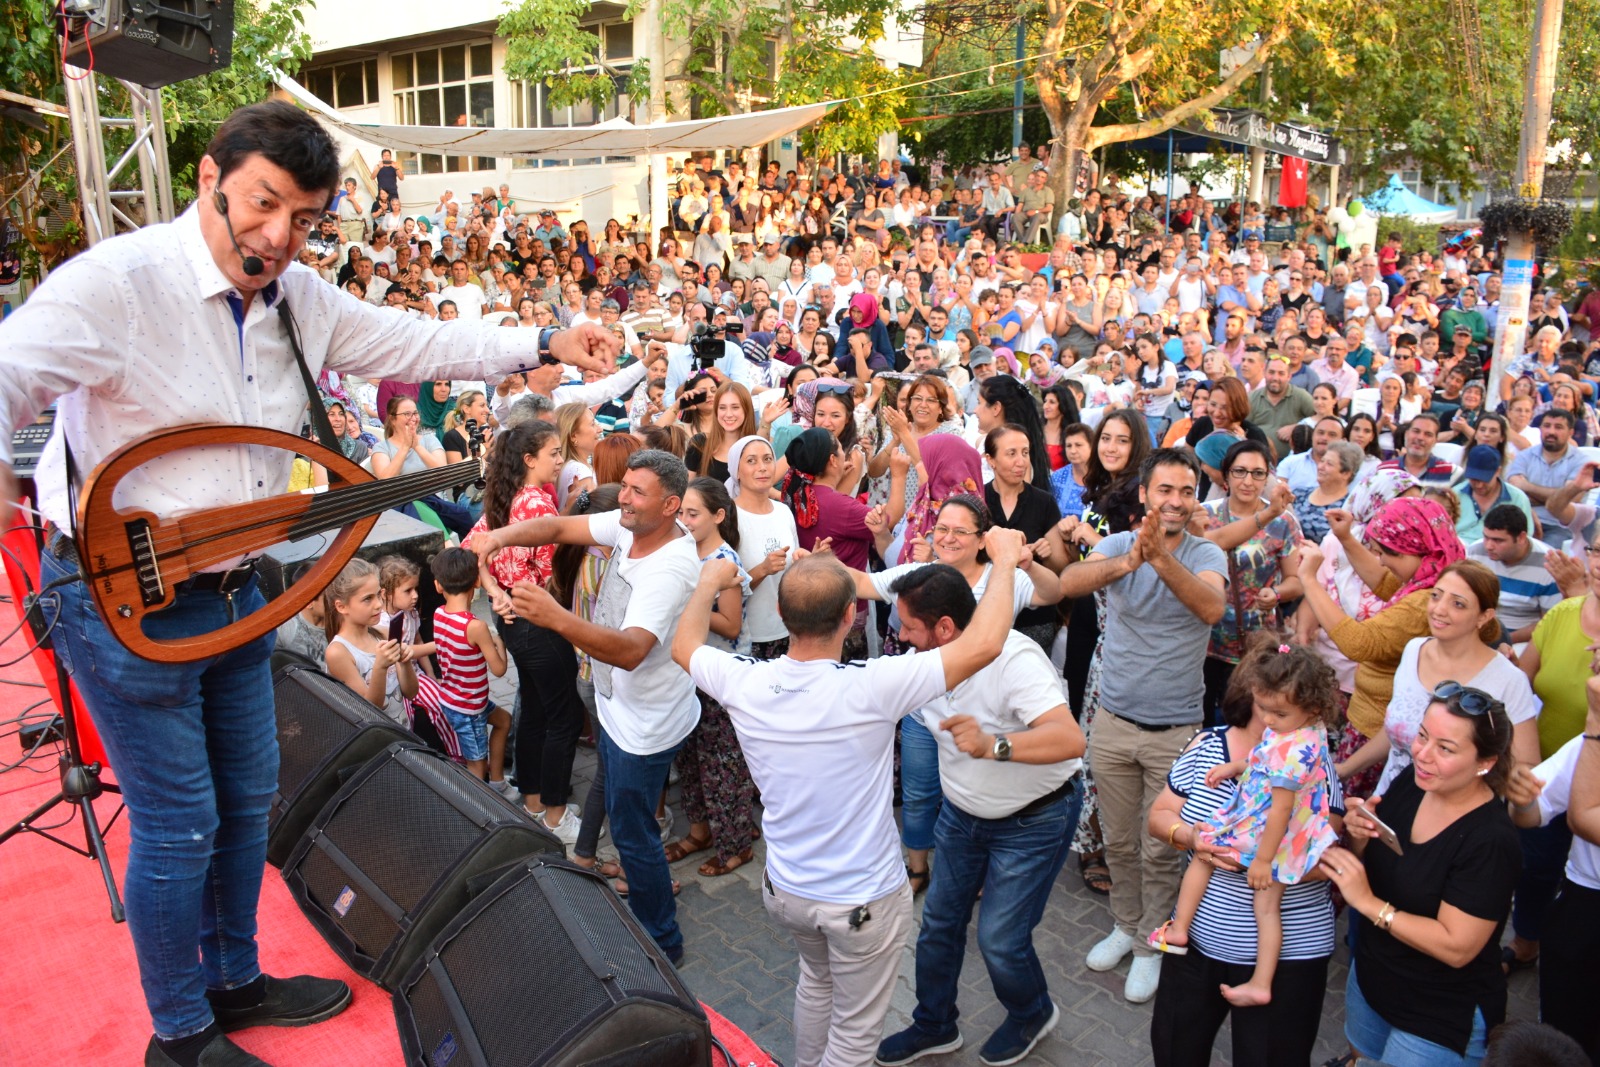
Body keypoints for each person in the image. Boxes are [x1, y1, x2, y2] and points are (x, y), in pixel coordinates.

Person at [0, 101, 616, 1067]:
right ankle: (181, 1034)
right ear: (210, 178)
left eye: (305, 217)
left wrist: (537, 342)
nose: (279, 236)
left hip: (244, 593)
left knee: (249, 800)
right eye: (263, 205)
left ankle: (235, 977)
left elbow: (409, 344)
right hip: (124, 602)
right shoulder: (116, 286)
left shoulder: (299, 297)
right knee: (179, 822)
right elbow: (9, 372)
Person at [673, 532, 1028, 1067]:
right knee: (856, 1035)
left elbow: (684, 647)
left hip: (788, 888)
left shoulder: (743, 680)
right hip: (860, 900)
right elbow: (984, 644)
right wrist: (1002, 561)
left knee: (816, 983)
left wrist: (706, 584)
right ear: (848, 617)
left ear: (783, 613)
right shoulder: (873, 684)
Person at [472, 450, 700, 963]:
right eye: (625, 486)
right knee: (627, 819)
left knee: (633, 832)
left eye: (638, 492)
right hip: (622, 712)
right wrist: (501, 536)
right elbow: (556, 526)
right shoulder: (630, 526)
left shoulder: (668, 566)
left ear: (670, 506)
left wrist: (555, 617)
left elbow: (631, 650)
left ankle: (662, 940)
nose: (624, 498)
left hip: (645, 727)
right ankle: (647, 907)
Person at [874, 571, 1087, 1067]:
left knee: (1000, 939)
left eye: (908, 627)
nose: (900, 637)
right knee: (938, 925)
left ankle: (1032, 1012)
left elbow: (1070, 740)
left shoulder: (1015, 659)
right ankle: (934, 1025)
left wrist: (995, 745)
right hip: (961, 817)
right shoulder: (921, 665)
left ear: (944, 628)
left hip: (1034, 822)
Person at [1058, 448, 1227, 1004]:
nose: (1174, 501)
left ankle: (1153, 945)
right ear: (1146, 495)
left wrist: (1159, 560)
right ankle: (1126, 927)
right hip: (1112, 721)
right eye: (1164, 491)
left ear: (1195, 497)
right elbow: (1070, 581)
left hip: (1177, 731)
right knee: (1119, 842)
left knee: (1161, 850)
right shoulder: (1118, 546)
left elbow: (1210, 608)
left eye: (1185, 491)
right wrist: (1130, 561)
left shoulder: (1207, 553)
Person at [1147, 652, 1347, 1067]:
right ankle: (1179, 930)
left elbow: (1322, 851)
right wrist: (1189, 837)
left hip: (1291, 955)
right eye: (1263, 704)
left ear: (1308, 706)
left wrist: (1263, 863)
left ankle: (1260, 979)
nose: (1269, 717)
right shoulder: (1215, 742)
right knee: (1174, 1049)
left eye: (1278, 709)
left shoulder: (1308, 757)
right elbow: (1158, 817)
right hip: (1203, 946)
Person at [1318, 687, 1522, 1067]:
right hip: (1374, 978)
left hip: (1439, 1009)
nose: (1422, 754)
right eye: (1423, 736)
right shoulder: (1415, 780)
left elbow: (1457, 947)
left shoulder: (1491, 841)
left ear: (1485, 763)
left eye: (1445, 748)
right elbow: (1385, 862)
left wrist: (1367, 903)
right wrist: (1361, 838)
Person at [465, 419, 588, 839]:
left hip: (514, 622)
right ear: (529, 459)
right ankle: (554, 816)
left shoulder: (505, 497)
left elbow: (470, 549)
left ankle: (534, 801)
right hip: (539, 622)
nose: (560, 461)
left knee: (536, 710)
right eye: (554, 454)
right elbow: (554, 572)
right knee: (564, 718)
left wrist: (494, 590)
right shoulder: (536, 503)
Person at [667, 476, 760, 877]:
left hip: (721, 680)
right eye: (681, 512)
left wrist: (692, 602)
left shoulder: (725, 563)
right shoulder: (681, 552)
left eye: (694, 514)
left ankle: (737, 846)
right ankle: (701, 832)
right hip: (688, 674)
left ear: (719, 516)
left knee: (723, 766)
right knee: (689, 760)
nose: (684, 521)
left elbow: (732, 624)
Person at [1511, 674, 1600, 1062]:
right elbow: (1534, 812)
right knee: (1565, 1033)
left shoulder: (1593, 736)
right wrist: (1523, 801)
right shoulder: (1585, 744)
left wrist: (1596, 725)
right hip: (1582, 902)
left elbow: (1586, 821)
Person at [1194, 441, 1304, 724]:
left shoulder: (1283, 522)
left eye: (1257, 473)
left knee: (1247, 722)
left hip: (1258, 644)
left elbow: (1297, 581)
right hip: (1206, 642)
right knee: (1203, 721)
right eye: (1240, 471)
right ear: (1226, 475)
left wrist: (1276, 593)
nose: (1248, 481)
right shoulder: (1205, 516)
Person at [406, 547, 510, 781]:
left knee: (504, 720)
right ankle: (484, 805)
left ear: (437, 586)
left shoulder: (440, 613)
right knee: (476, 763)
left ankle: (498, 782)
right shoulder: (475, 627)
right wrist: (499, 643)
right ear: (477, 582)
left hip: (461, 700)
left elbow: (446, 644)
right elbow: (500, 669)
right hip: (468, 709)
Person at [1466, 505, 1567, 645]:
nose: (1488, 546)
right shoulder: (1475, 551)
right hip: (1477, 631)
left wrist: (1502, 641)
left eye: (1498, 540)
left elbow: (1548, 622)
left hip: (1523, 639)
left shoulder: (1549, 565)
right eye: (1486, 537)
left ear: (1521, 538)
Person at [1508, 408, 1586, 548]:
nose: (1551, 432)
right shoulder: (1525, 456)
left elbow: (1570, 499)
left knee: (1546, 558)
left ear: (1571, 433)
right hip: (1524, 519)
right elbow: (1514, 493)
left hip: (1559, 526)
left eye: (1558, 427)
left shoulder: (1580, 461)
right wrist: (1557, 496)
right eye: (1547, 426)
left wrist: (1526, 487)